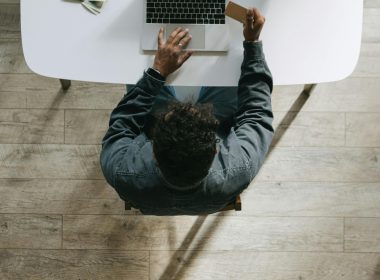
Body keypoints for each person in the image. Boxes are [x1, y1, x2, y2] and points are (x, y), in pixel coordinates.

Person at [100, 8, 274, 215]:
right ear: (215, 150)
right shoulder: (240, 165)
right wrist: (252, 44)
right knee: (232, 69)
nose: (187, 105)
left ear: (154, 151)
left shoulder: (120, 169)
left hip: (153, 181)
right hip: (215, 133)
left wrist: (157, 72)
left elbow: (123, 122)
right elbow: (256, 112)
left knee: (139, 71)